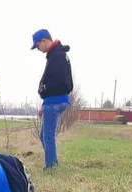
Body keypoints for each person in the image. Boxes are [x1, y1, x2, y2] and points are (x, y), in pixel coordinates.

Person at [31, 28, 73, 169]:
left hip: (55, 101)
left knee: (48, 136)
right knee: (44, 135)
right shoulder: (57, 55)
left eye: (37, 46)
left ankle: (51, 166)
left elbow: (59, 82)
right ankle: (53, 162)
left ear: (44, 40)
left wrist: (44, 90)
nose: (38, 49)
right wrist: (44, 103)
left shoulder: (57, 56)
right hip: (53, 101)